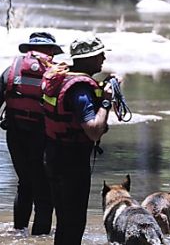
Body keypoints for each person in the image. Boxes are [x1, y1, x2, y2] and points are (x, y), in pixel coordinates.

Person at [0, 32, 63, 235]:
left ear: (28, 50)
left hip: (16, 136)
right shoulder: (56, 76)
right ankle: (39, 239)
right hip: (43, 139)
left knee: (25, 184)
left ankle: (19, 234)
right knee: (44, 193)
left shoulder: (11, 71)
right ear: (51, 51)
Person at [40, 36, 115, 244]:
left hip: (54, 155)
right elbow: (93, 131)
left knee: (64, 221)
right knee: (74, 223)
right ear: (89, 58)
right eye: (100, 54)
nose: (104, 58)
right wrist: (106, 102)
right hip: (71, 162)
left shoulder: (63, 77)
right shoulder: (81, 89)